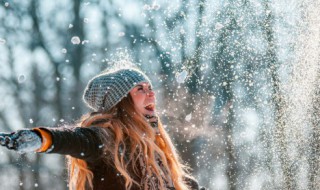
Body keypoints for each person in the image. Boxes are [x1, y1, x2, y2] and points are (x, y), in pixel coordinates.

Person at [0, 66, 205, 190]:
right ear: (122, 101)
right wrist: (42, 138)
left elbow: (172, 183)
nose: (151, 94)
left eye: (150, 88)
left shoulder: (152, 148)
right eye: (140, 89)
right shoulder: (107, 139)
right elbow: (75, 139)